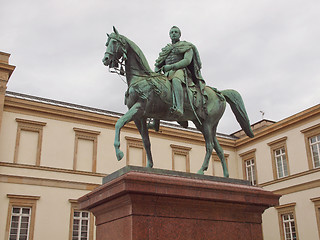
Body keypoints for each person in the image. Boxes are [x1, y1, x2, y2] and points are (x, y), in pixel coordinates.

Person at [155, 26, 207, 118]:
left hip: (181, 71)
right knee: (155, 87)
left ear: (179, 34)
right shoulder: (166, 49)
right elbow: (158, 63)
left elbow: (187, 60)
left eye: (176, 32)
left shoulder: (186, 46)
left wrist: (171, 66)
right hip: (167, 73)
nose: (173, 33)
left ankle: (179, 108)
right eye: (172, 32)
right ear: (169, 35)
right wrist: (156, 72)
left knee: (176, 80)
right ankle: (155, 121)